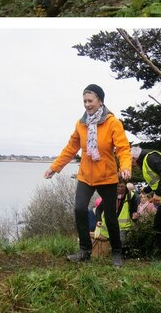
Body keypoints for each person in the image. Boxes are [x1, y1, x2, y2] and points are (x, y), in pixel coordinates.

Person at [44, 84, 132, 268]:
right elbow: (70, 148)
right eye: (84, 101)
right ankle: (85, 251)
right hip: (85, 176)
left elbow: (123, 148)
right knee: (79, 209)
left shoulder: (112, 122)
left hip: (107, 177)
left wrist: (125, 167)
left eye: (90, 100)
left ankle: (116, 253)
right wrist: (55, 167)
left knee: (110, 215)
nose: (87, 104)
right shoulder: (81, 124)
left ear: (100, 101)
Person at [96, 181, 139, 254]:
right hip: (109, 226)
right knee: (113, 244)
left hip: (124, 227)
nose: (120, 188)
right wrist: (98, 219)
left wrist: (134, 216)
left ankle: (122, 255)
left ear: (125, 186)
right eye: (118, 186)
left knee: (121, 242)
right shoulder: (109, 194)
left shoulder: (131, 196)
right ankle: (115, 254)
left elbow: (133, 210)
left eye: (122, 186)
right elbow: (99, 209)